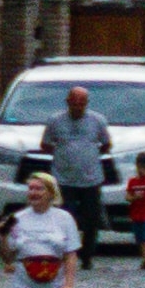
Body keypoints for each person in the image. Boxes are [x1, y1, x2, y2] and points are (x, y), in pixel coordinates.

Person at [43, 84, 111, 268]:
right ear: (67, 102)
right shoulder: (55, 121)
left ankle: (87, 256)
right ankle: (66, 254)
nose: (77, 107)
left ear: (87, 104)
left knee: (91, 220)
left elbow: (106, 144)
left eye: (81, 103)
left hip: (91, 179)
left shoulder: (98, 121)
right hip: (64, 179)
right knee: (65, 219)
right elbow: (46, 144)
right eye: (74, 103)